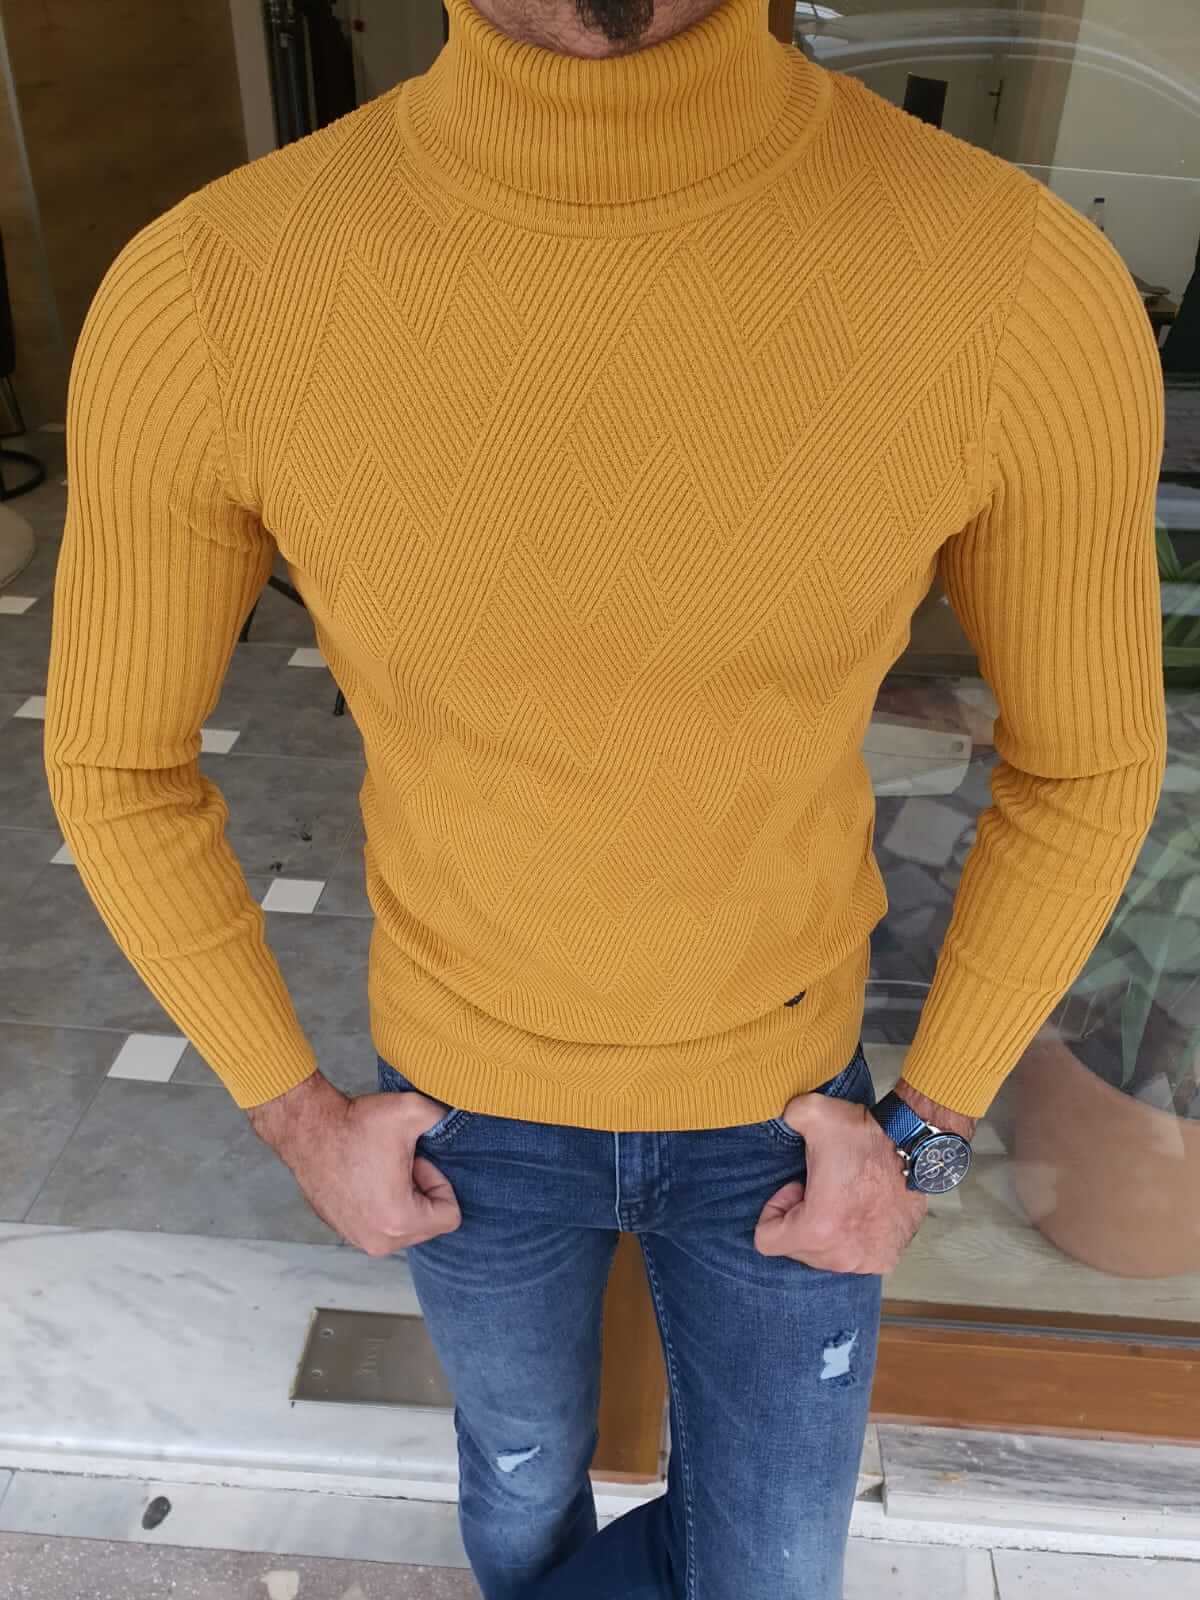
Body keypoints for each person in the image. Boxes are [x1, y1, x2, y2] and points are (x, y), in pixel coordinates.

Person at [43, 1, 1166, 1595]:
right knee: (515, 1503)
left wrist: (934, 1125)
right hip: (456, 1116)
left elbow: (1091, 760)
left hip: (793, 1115)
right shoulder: (214, 289)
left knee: (770, 1570)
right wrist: (292, 1114)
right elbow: (113, 760)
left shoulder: (1013, 280)